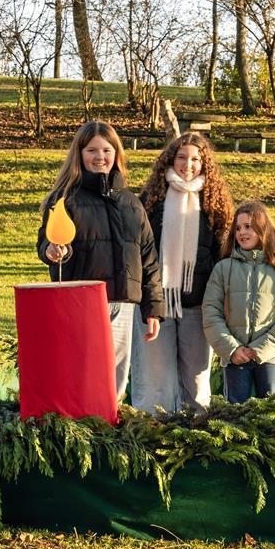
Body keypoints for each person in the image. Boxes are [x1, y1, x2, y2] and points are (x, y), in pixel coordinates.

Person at [37, 120, 164, 398]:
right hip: (82, 300)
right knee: (82, 371)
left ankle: (108, 429)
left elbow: (148, 258)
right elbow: (46, 242)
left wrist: (153, 308)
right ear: (79, 155)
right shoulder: (64, 198)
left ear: (117, 153)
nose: (100, 157)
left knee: (116, 378)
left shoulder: (132, 202)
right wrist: (54, 250)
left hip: (123, 302)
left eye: (107, 150)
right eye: (92, 150)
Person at [133, 132, 234, 414]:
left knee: (197, 379)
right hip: (156, 304)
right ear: (170, 159)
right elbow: (140, 251)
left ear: (204, 164)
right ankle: (152, 433)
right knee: (155, 380)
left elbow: (221, 256)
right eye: (181, 157)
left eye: (195, 159)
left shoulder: (215, 205)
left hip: (197, 306)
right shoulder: (150, 201)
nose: (187, 164)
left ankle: (194, 435)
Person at [202, 201, 275, 402]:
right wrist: (232, 349)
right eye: (238, 228)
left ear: (263, 228)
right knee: (235, 417)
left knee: (271, 416)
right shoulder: (223, 269)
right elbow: (211, 313)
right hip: (235, 357)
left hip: (271, 355)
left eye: (248, 226)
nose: (242, 232)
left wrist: (260, 348)